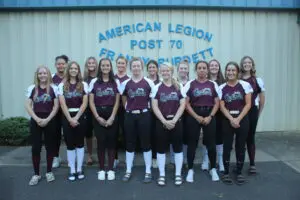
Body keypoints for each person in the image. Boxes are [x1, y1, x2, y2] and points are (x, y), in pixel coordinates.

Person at [184, 61, 220, 182]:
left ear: (207, 70)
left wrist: (210, 116)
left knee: (211, 143)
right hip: (194, 114)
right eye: (199, 68)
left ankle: (213, 169)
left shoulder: (212, 84)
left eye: (204, 68)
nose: (202, 70)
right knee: (192, 143)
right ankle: (190, 169)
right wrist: (196, 116)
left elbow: (217, 103)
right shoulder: (191, 84)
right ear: (196, 70)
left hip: (209, 114)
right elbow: (186, 103)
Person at [120, 57, 155, 183]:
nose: (136, 68)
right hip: (130, 116)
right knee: (130, 143)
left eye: (138, 66)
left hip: (144, 115)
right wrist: (127, 107)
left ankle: (148, 171)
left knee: (146, 143)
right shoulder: (126, 83)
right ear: (131, 68)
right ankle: (128, 170)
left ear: (142, 67)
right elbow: (123, 96)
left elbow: (153, 99)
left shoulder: (148, 83)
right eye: (133, 66)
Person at [151, 62, 186, 186]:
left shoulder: (178, 86)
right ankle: (162, 174)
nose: (165, 73)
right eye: (163, 71)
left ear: (172, 72)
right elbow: (154, 106)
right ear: (160, 72)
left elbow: (183, 104)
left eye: (168, 71)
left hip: (176, 122)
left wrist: (174, 120)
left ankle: (177, 174)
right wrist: (164, 121)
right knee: (161, 150)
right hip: (162, 123)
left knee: (178, 149)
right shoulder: (157, 87)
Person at [219, 61, 253, 185]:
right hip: (227, 120)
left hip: (242, 119)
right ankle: (226, 172)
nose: (231, 72)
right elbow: (221, 106)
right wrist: (231, 119)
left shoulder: (245, 85)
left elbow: (248, 104)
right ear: (225, 72)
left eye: (233, 70)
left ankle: (239, 172)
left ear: (237, 72)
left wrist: (238, 119)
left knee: (240, 146)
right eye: (228, 70)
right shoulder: (221, 87)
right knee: (227, 146)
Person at [25, 66, 59, 185]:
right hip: (36, 120)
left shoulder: (54, 88)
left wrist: (48, 119)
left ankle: (49, 172)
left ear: (48, 74)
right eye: (40, 73)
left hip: (50, 120)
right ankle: (36, 174)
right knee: (36, 148)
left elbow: (56, 106)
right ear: (37, 75)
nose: (43, 75)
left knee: (50, 147)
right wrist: (37, 119)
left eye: (45, 73)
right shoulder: (32, 88)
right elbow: (28, 105)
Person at [89, 58, 120, 181]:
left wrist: (112, 116)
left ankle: (111, 169)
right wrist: (97, 117)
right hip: (98, 115)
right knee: (101, 142)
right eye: (103, 65)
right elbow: (91, 101)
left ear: (110, 67)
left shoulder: (115, 82)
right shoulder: (94, 82)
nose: (105, 67)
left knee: (112, 143)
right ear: (100, 67)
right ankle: (101, 169)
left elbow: (117, 101)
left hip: (112, 114)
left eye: (107, 65)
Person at [58, 61, 88, 181]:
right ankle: (72, 169)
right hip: (67, 116)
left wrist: (76, 117)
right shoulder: (62, 85)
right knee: (70, 144)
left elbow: (85, 102)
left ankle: (79, 168)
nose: (73, 70)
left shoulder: (83, 84)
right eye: (71, 68)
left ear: (78, 70)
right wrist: (70, 118)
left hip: (80, 115)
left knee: (80, 143)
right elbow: (62, 103)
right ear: (68, 70)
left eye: (76, 68)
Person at [240, 56, 265, 175]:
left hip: (252, 111)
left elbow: (262, 100)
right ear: (242, 65)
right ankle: (239, 163)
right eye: (245, 63)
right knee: (240, 137)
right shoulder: (238, 79)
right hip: (239, 111)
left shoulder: (257, 80)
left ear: (252, 65)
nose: (247, 64)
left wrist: (258, 113)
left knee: (250, 137)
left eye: (249, 62)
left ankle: (252, 164)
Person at [201, 59, 226, 172]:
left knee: (219, 138)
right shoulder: (203, 81)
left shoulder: (223, 81)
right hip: (209, 113)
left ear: (219, 67)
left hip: (220, 113)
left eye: (216, 65)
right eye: (211, 65)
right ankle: (206, 159)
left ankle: (220, 161)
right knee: (207, 137)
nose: (214, 67)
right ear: (208, 68)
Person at [52, 54, 69, 168]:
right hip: (55, 112)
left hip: (68, 111)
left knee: (69, 136)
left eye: (63, 64)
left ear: (66, 65)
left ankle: (70, 158)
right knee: (55, 135)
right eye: (58, 64)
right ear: (55, 65)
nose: (61, 66)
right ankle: (56, 157)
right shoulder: (51, 78)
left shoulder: (71, 77)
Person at [113, 56, 130, 169]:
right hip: (113, 109)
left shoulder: (129, 79)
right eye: (119, 63)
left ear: (126, 65)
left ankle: (128, 159)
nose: (120, 65)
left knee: (127, 133)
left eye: (123, 63)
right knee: (114, 134)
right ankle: (114, 158)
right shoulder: (112, 78)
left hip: (125, 110)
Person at [83, 56, 98, 165]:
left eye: (93, 63)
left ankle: (100, 154)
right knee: (88, 133)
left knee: (99, 133)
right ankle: (89, 155)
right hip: (86, 109)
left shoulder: (100, 77)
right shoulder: (83, 79)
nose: (91, 64)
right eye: (89, 63)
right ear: (86, 65)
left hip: (98, 108)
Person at [146, 60, 160, 168]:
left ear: (157, 69)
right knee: (148, 135)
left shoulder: (161, 81)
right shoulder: (144, 81)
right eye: (150, 67)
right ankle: (149, 157)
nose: (152, 69)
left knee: (157, 136)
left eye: (153, 67)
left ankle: (155, 158)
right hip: (147, 112)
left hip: (159, 112)